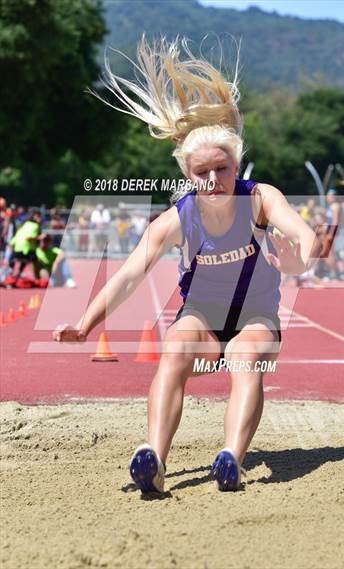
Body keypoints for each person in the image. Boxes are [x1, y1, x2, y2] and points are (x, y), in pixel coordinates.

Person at [53, 36, 319, 494]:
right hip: (200, 319)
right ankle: (154, 457)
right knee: (174, 348)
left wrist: (300, 257)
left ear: (236, 166)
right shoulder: (175, 220)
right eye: (202, 173)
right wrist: (85, 322)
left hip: (255, 320)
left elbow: (303, 234)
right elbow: (129, 275)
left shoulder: (260, 198)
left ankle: (231, 458)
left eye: (222, 169)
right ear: (186, 174)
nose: (213, 180)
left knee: (245, 356)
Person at [8, 208, 42, 277]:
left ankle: (14, 276)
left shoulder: (24, 224)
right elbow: (28, 238)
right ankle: (38, 279)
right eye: (38, 216)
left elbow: (16, 237)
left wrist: (12, 247)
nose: (40, 218)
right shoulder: (35, 226)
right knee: (36, 262)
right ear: (33, 216)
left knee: (22, 262)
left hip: (17, 248)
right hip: (26, 249)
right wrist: (40, 237)